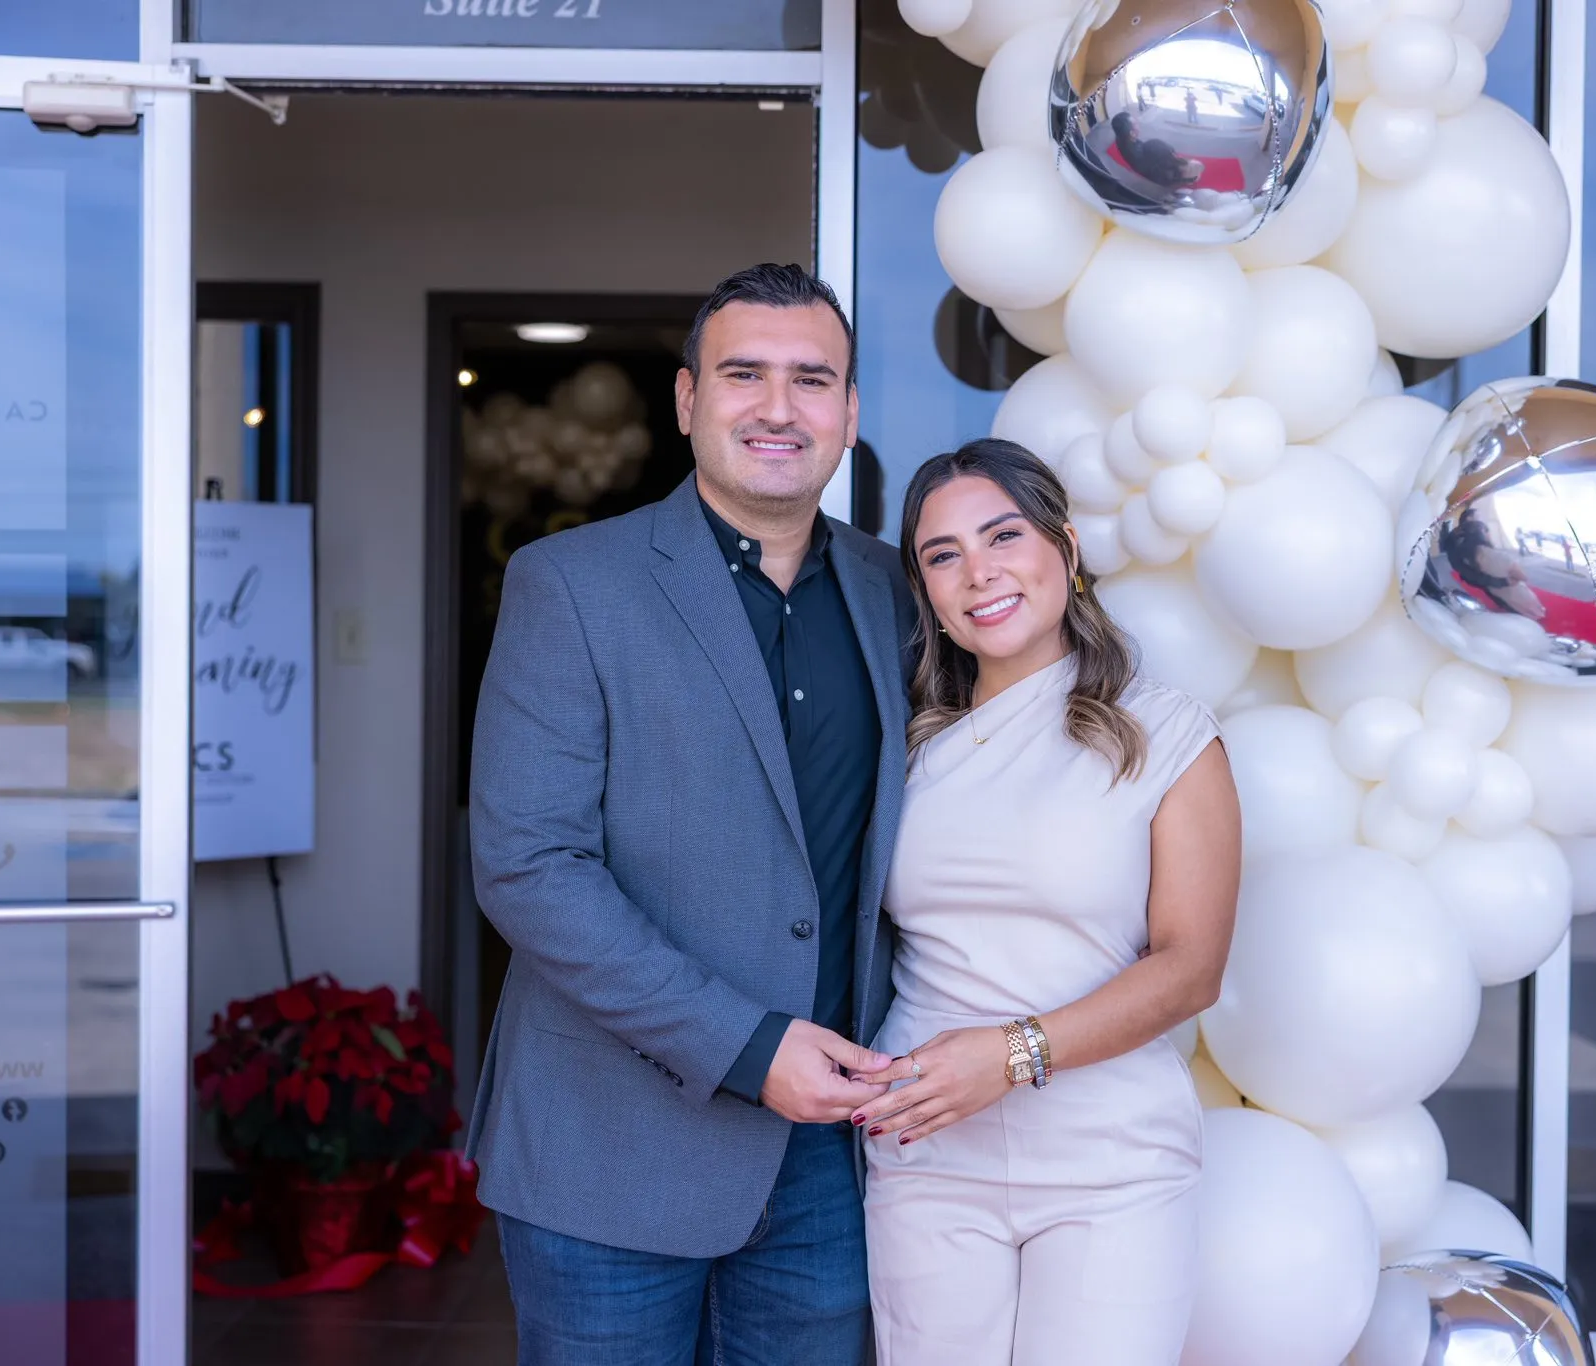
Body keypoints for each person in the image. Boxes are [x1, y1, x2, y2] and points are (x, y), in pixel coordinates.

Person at [467, 262, 915, 1366]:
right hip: (608, 1146)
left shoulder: (899, 592)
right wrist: (747, 1047)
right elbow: (528, 865)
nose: (778, 407)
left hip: (826, 1158)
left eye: (812, 379)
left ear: (850, 411)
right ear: (686, 399)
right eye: (743, 374)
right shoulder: (571, 583)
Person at [851, 438, 1241, 1364]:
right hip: (926, 1156)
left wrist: (1010, 1055)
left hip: (1112, 1162)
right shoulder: (906, 752)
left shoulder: (1167, 734)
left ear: (1064, 547)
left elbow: (1191, 968)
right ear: (927, 592)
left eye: (1003, 536)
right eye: (942, 555)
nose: (978, 573)